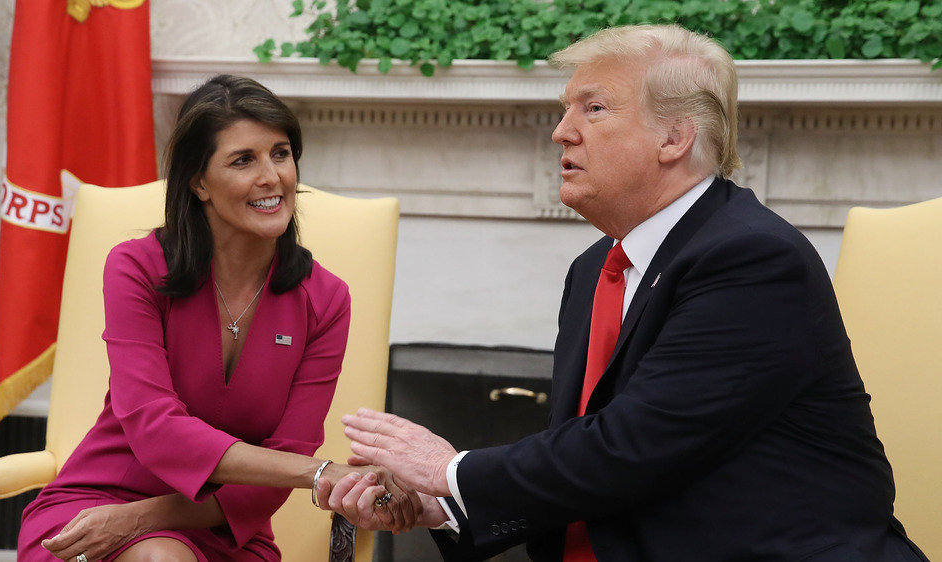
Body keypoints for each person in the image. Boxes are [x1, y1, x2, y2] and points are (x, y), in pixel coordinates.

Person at [326, 24, 929, 561]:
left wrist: (446, 470)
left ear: (674, 139)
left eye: (593, 109)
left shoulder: (752, 259)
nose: (561, 132)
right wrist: (444, 506)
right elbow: (585, 458)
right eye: (567, 110)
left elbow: (632, 448)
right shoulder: (597, 266)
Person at [17, 74, 418, 562]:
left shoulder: (327, 299)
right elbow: (156, 429)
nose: (272, 176)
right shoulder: (137, 267)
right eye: (243, 160)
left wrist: (141, 519)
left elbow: (279, 467)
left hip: (225, 527)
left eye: (280, 152)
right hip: (98, 506)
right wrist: (317, 472)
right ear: (198, 181)